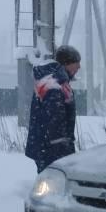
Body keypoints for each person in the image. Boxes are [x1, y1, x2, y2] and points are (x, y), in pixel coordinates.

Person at [25, 45, 80, 173]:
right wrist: (62, 147)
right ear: (66, 63)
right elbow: (54, 119)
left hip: (50, 147)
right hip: (52, 149)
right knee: (53, 185)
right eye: (76, 63)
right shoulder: (53, 84)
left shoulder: (56, 81)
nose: (79, 67)